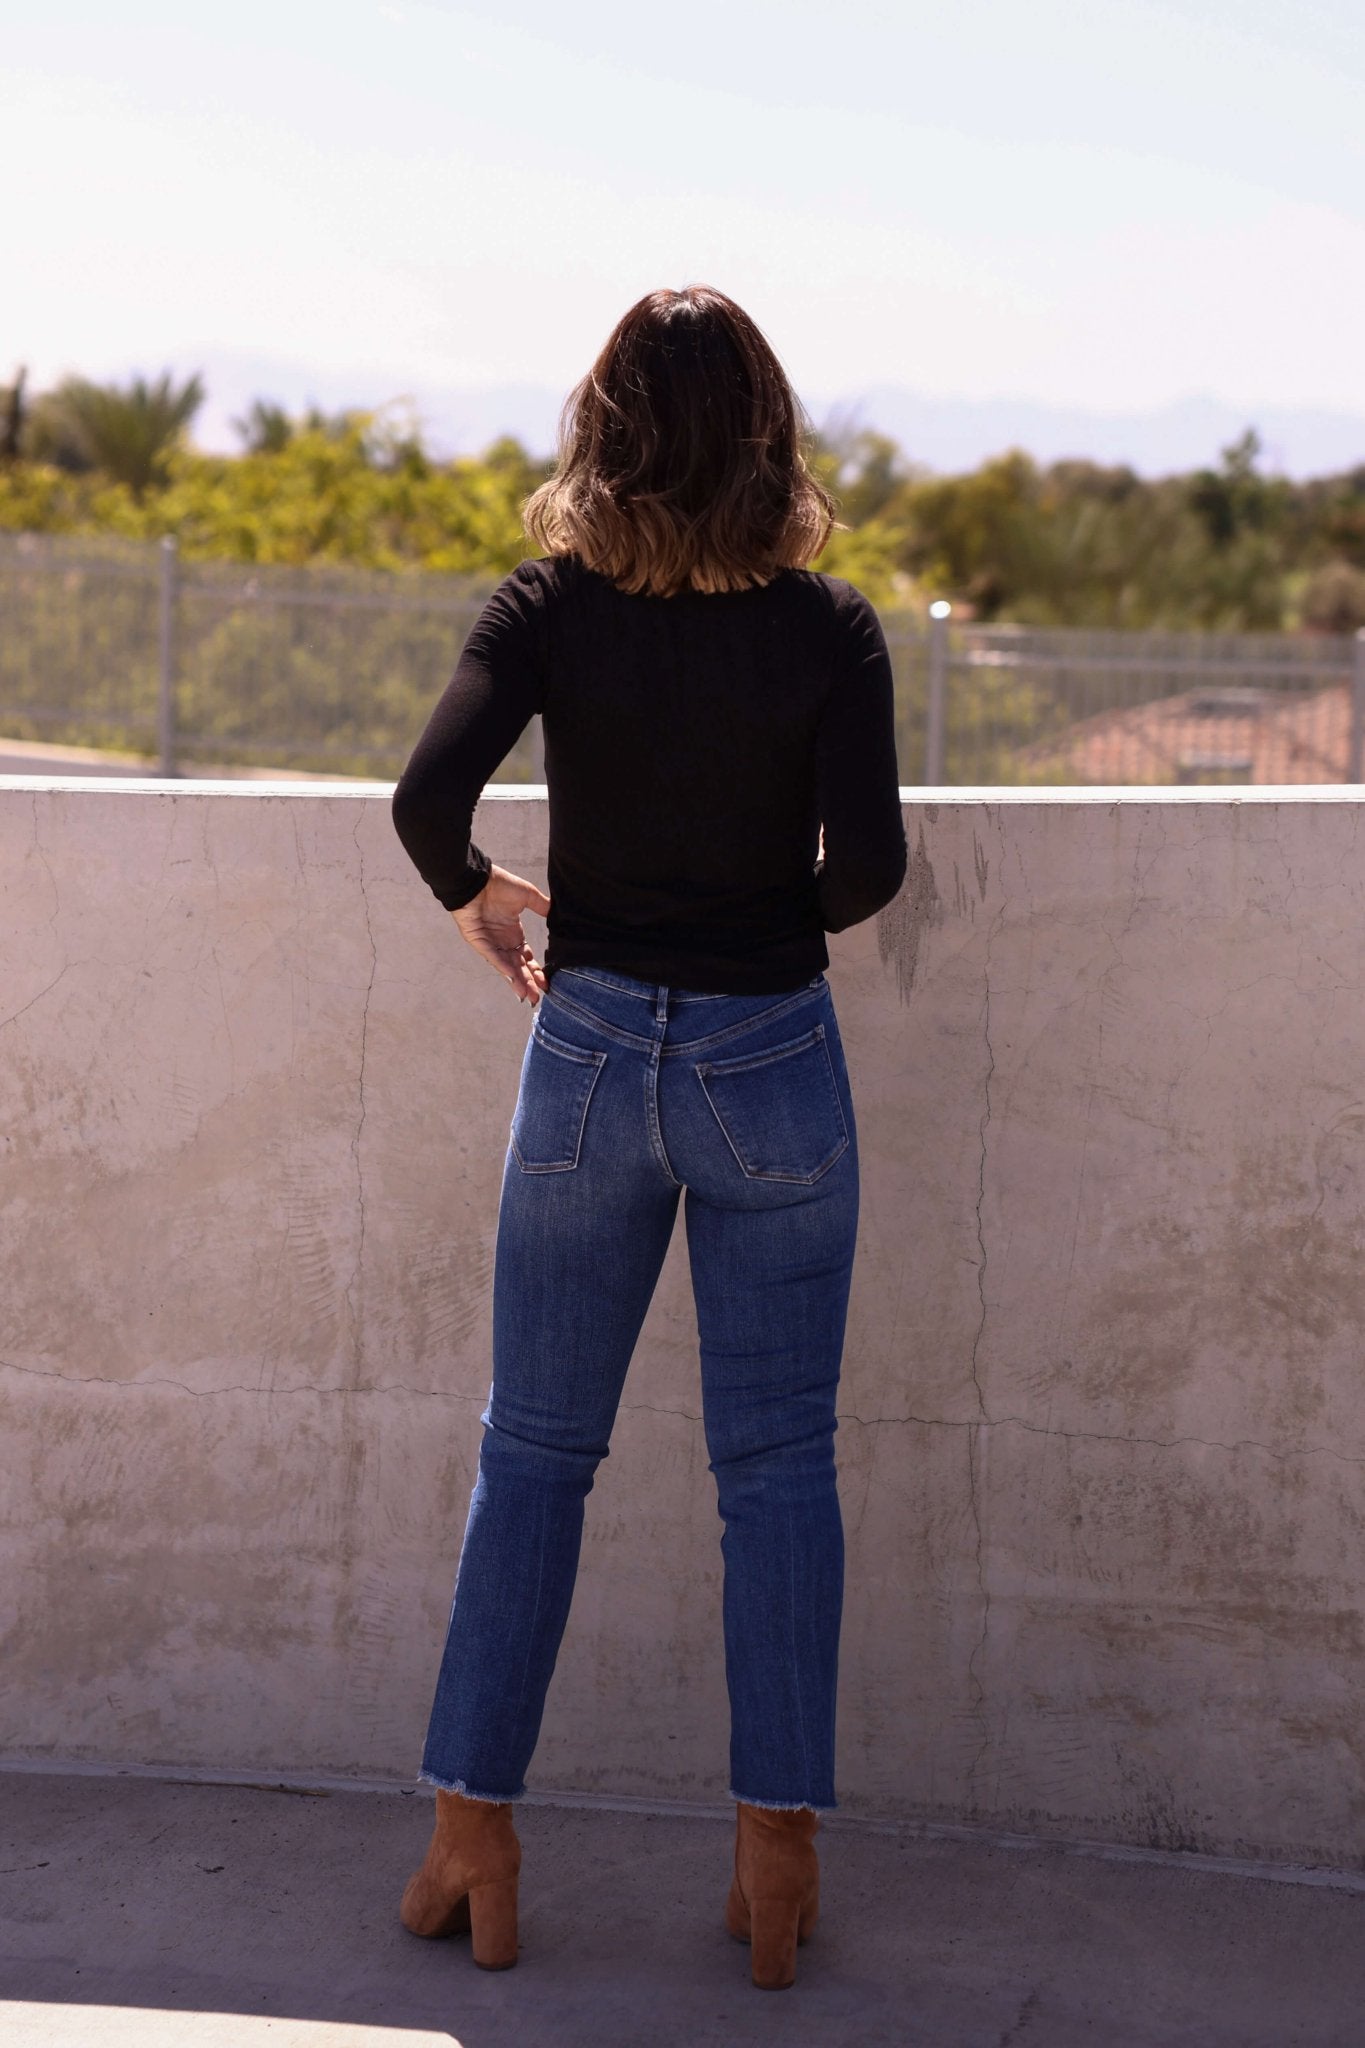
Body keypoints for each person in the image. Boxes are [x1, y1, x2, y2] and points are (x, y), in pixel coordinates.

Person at [389, 284, 907, 1990]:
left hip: (590, 1051)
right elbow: (870, 875)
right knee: (775, 1475)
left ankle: (472, 1837)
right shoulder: (828, 629)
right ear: (767, 435)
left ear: (602, 428)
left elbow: (424, 807)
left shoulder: (547, 606)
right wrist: (760, 913)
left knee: (531, 1454)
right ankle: (775, 1868)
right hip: (771, 1057)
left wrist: (488, 903)